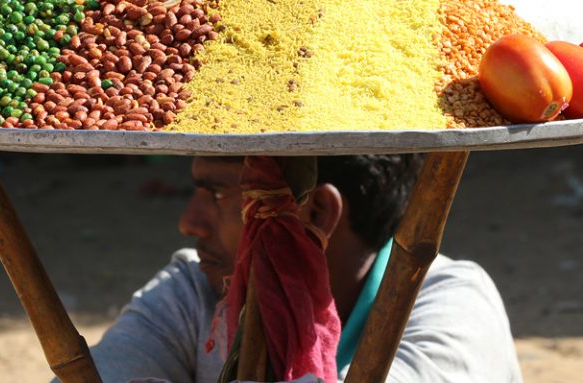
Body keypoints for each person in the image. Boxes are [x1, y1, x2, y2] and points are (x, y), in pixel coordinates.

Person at [79, 155, 523, 383]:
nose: (188, 222)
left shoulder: (453, 304)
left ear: (316, 214)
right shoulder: (195, 289)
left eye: (217, 195)